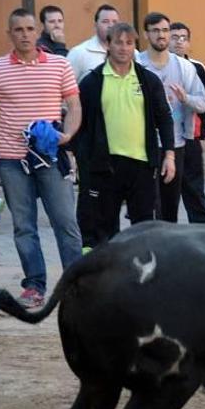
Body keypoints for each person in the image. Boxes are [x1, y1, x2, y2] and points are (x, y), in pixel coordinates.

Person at [0, 8, 82, 307]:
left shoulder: (59, 65)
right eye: (18, 30)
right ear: (10, 33)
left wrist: (67, 134)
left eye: (30, 29)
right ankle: (34, 286)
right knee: (23, 227)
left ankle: (76, 286)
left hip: (50, 158)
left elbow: (74, 106)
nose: (25, 35)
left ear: (37, 32)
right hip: (12, 160)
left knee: (65, 222)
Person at [73, 23, 176, 247]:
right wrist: (80, 160)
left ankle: (143, 278)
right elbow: (80, 125)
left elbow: (165, 118)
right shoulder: (92, 83)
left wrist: (169, 155)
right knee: (104, 229)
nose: (124, 48)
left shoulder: (148, 80)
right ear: (108, 45)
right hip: (105, 167)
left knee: (144, 230)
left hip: (141, 165)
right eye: (118, 42)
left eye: (129, 43)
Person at [137, 13, 205, 223]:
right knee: (146, 206)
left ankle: (167, 250)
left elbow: (203, 103)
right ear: (146, 34)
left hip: (175, 144)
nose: (162, 35)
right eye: (156, 30)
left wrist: (185, 98)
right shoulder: (136, 65)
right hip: (142, 145)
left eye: (165, 30)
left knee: (169, 208)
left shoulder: (184, 67)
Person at [169, 22, 205, 224]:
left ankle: (203, 230)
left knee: (195, 191)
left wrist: (204, 134)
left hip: (191, 137)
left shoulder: (197, 68)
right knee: (166, 192)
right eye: (174, 37)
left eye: (183, 38)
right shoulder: (157, 66)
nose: (179, 42)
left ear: (189, 43)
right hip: (167, 139)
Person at [67, 4, 120, 82]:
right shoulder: (79, 53)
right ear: (95, 25)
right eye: (105, 21)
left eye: (114, 22)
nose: (110, 26)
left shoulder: (131, 53)